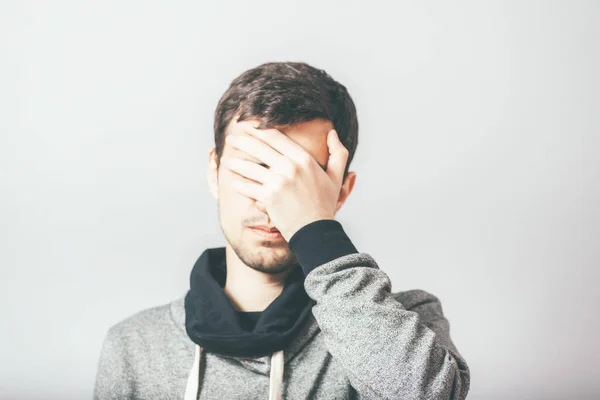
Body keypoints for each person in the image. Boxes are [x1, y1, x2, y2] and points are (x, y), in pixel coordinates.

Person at [93, 61, 471, 400]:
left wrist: (315, 229)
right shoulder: (133, 346)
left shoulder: (408, 321)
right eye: (252, 170)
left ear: (342, 190)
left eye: (300, 178)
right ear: (215, 170)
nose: (271, 201)